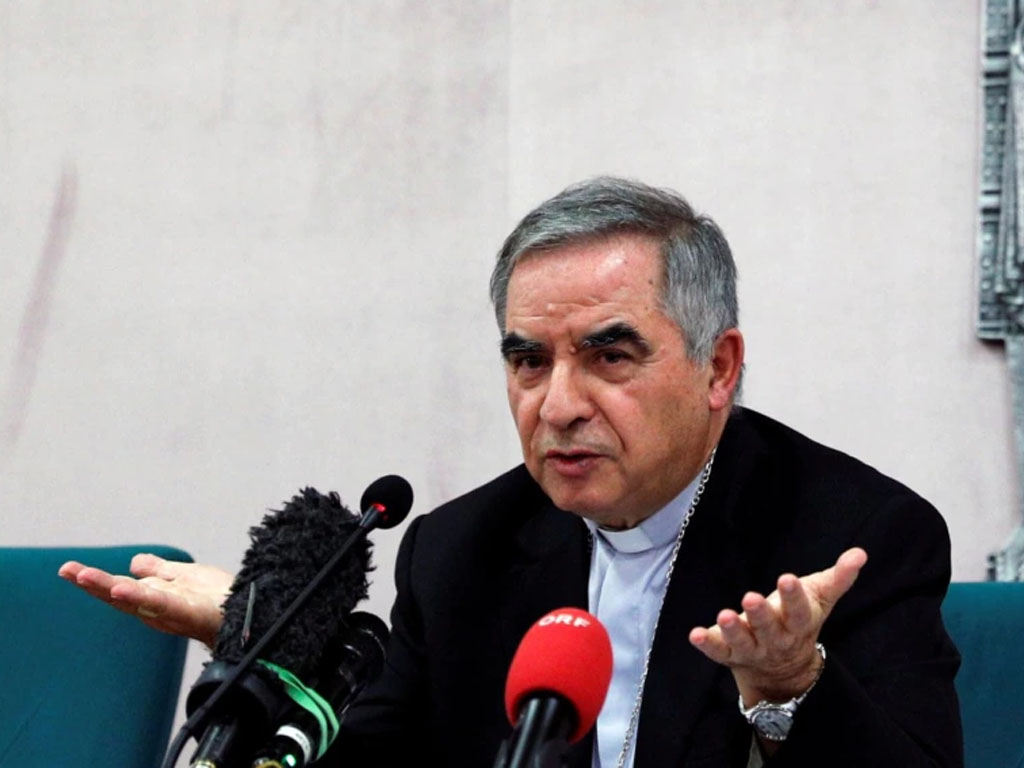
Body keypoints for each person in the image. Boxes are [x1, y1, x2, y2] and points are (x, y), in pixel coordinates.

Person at [60, 177, 962, 767]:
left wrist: (791, 687)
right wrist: (270, 646)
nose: (557, 404)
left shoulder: (854, 538)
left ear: (717, 368)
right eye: (529, 361)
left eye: (609, 357)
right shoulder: (460, 551)